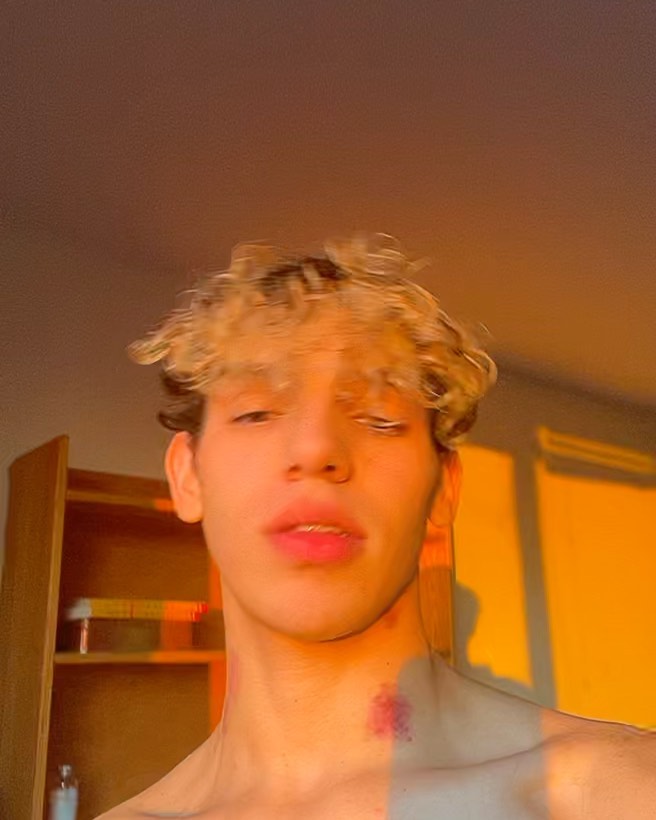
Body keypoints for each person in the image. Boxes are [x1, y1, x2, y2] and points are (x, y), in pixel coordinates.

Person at [100, 235, 654, 819]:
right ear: (187, 476)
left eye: (379, 418)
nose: (315, 448)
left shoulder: (615, 794)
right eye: (256, 412)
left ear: (444, 489)